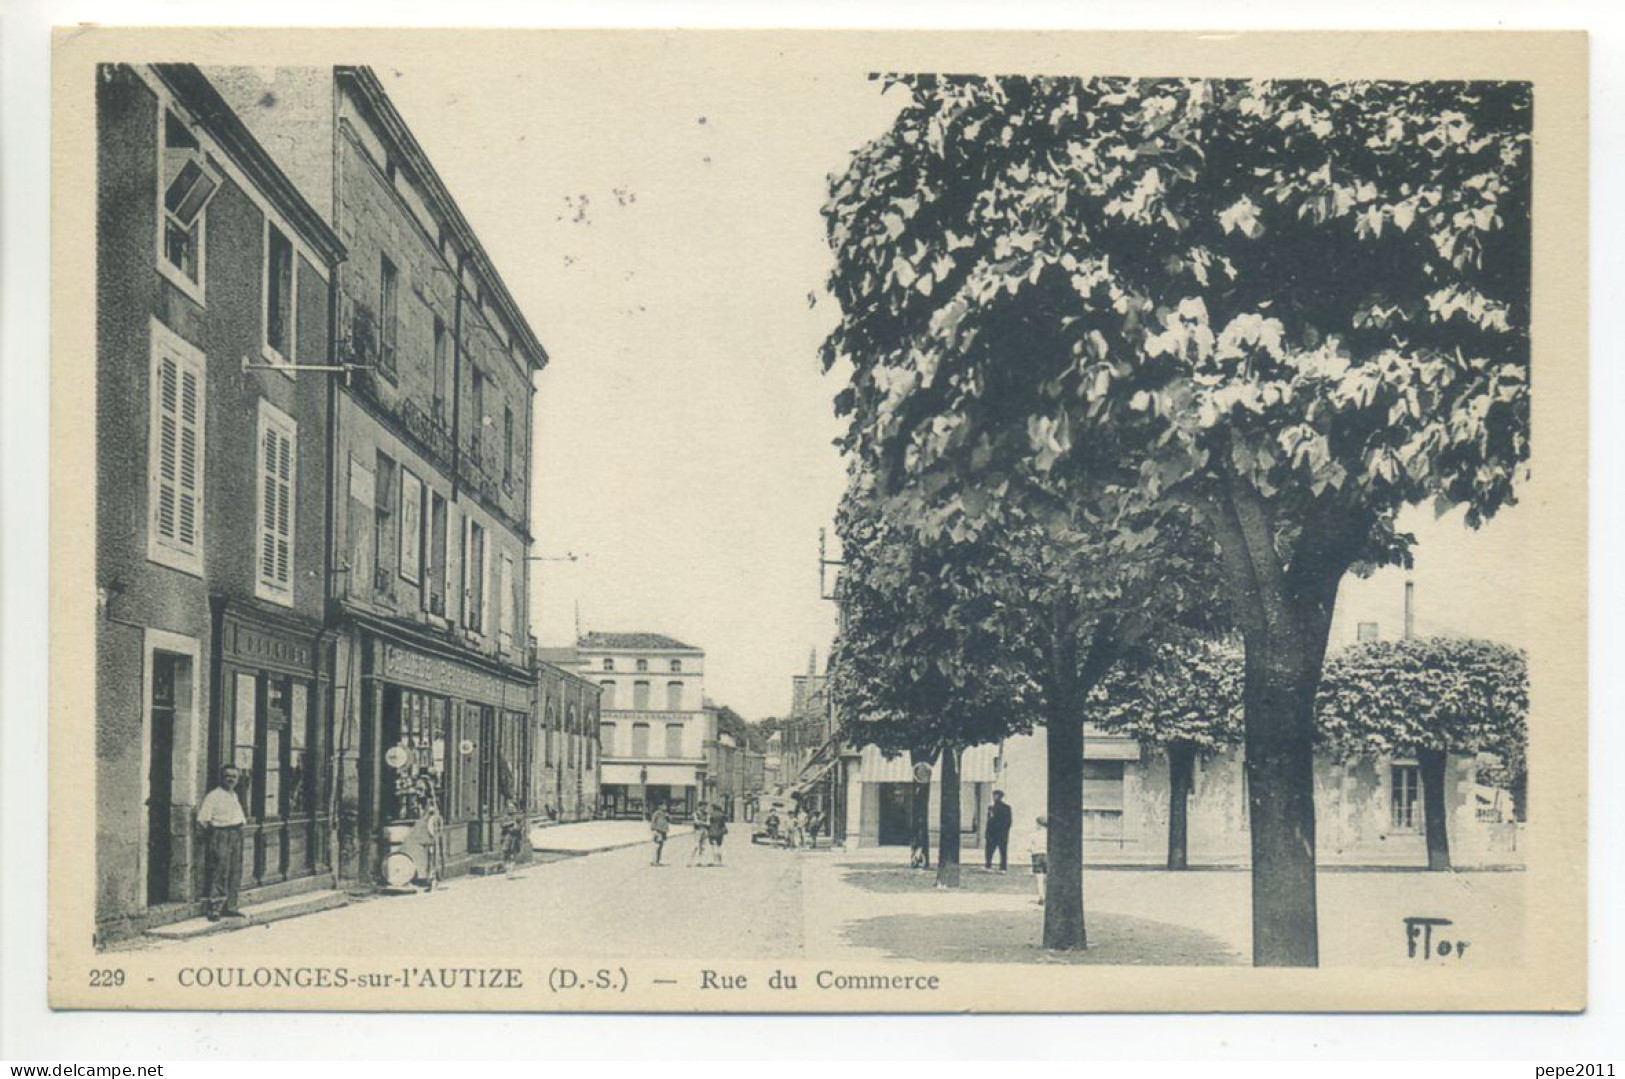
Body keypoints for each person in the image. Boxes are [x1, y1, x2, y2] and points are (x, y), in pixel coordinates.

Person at [197, 765, 247, 921]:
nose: (231, 779)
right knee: (221, 870)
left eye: (234, 777)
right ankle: (215, 908)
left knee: (235, 870)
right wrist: (216, 835)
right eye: (228, 776)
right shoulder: (214, 796)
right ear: (222, 778)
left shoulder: (234, 795)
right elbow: (202, 819)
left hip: (236, 834)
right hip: (221, 834)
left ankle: (231, 907)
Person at [985, 789, 1013, 872]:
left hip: (999, 833)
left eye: (997, 796)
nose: (995, 797)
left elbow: (1008, 821)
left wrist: (1004, 830)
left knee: (1001, 851)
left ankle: (1001, 867)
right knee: (991, 850)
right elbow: (989, 821)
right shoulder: (991, 808)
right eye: (994, 795)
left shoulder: (1006, 808)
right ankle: (989, 865)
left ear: (1000, 797)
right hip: (994, 833)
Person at [1028, 816, 1049, 905]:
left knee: (1039, 879)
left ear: (1039, 824)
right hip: (1047, 855)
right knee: (1048, 878)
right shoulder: (1050, 834)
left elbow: (1029, 847)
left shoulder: (1033, 834)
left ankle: (1041, 897)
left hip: (1036, 855)